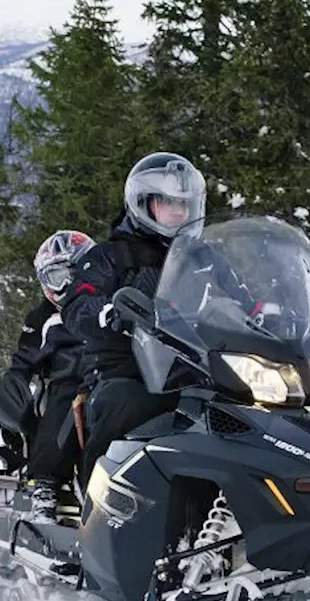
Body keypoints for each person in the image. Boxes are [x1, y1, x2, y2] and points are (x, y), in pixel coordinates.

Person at [59, 152, 256, 487]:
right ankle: (97, 505)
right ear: (142, 203)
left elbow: (241, 300)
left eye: (184, 203)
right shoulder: (110, 256)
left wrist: (269, 316)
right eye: (167, 202)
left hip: (203, 370)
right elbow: (78, 304)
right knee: (126, 405)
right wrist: (109, 313)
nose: (178, 211)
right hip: (131, 370)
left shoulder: (204, 257)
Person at [0, 230, 95, 524]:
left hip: (110, 376)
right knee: (67, 401)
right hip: (67, 387)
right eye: (57, 277)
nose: (68, 285)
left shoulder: (109, 306)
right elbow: (23, 359)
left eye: (77, 273)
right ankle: (45, 486)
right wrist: (15, 384)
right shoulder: (44, 317)